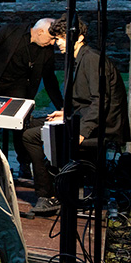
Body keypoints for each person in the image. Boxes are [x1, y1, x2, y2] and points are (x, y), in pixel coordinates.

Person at [22, 17, 129, 216]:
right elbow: (87, 101)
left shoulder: (91, 59)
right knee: (33, 126)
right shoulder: (81, 58)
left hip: (102, 127)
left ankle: (49, 194)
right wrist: (67, 113)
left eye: (61, 38)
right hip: (86, 118)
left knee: (32, 136)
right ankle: (52, 188)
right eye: (57, 38)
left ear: (78, 38)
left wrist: (82, 132)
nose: (58, 43)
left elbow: (101, 101)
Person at [0, 18, 62, 178]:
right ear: (40, 31)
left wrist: (61, 106)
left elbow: (50, 79)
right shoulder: (9, 31)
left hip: (19, 87)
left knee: (21, 125)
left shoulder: (46, 51)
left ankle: (24, 164)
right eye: (51, 38)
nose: (53, 43)